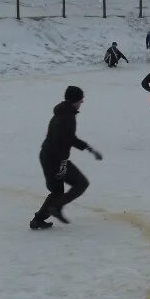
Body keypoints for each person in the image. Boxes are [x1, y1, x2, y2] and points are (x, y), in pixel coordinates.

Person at [30, 86, 103, 229]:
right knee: (81, 183)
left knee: (57, 192)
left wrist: (88, 148)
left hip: (48, 156)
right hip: (54, 158)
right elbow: (60, 142)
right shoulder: (67, 118)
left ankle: (38, 219)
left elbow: (69, 138)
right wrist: (62, 164)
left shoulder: (64, 112)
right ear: (74, 100)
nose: (82, 101)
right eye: (81, 98)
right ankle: (56, 207)